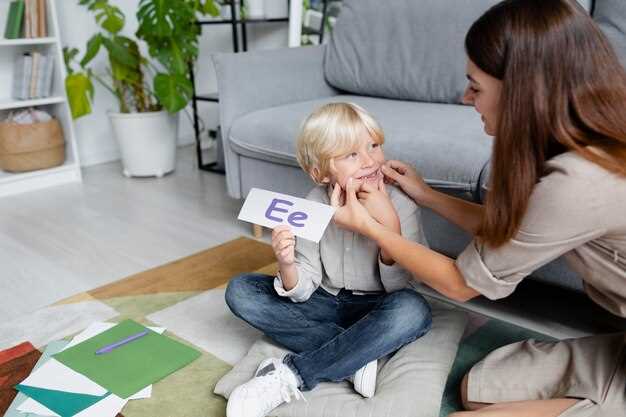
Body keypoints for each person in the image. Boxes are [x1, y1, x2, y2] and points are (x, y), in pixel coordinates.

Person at [330, 1, 626, 417]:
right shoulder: (575, 139)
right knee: (477, 388)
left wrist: (376, 231)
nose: (465, 96)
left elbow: (460, 283)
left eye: (476, 86)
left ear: (523, 91)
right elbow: (519, 230)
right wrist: (426, 194)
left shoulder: (581, 179)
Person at [224, 102, 433, 417]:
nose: (370, 161)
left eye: (374, 146)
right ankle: (356, 356)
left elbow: (402, 284)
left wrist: (388, 226)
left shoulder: (400, 203)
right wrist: (287, 264)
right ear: (320, 172)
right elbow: (304, 286)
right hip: (325, 299)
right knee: (240, 290)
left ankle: (294, 373)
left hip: (378, 305)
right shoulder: (312, 204)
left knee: (413, 310)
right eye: (351, 154)